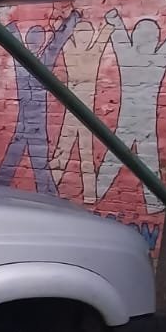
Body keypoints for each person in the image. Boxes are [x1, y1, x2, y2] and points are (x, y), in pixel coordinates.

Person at [93, 8, 166, 214]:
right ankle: (153, 203)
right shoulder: (157, 57)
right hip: (144, 121)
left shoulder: (129, 55)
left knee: (116, 158)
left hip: (130, 119)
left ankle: (98, 191)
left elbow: (120, 37)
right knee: (147, 162)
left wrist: (114, 19)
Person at [0, 10, 79, 196]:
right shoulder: (42, 61)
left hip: (28, 124)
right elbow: (56, 43)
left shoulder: (22, 60)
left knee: (17, 163)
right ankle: (50, 196)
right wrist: (72, 19)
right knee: (36, 165)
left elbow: (16, 40)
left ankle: (47, 195)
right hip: (33, 125)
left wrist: (10, 27)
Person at [47, 19, 110, 203]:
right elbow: (104, 35)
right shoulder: (90, 51)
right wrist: (110, 23)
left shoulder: (72, 50)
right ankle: (89, 195)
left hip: (77, 110)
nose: (84, 36)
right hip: (82, 111)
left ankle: (53, 189)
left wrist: (65, 23)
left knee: (67, 151)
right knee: (79, 153)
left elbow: (62, 38)